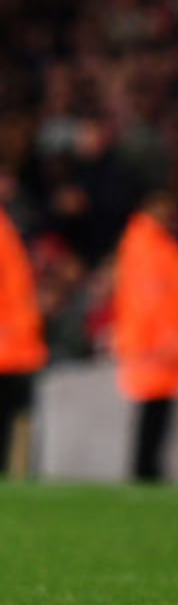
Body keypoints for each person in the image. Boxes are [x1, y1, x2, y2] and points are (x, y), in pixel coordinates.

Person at [112, 190, 178, 482]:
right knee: (153, 417)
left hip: (160, 347)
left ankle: (148, 471)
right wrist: (168, 340)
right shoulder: (148, 246)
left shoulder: (154, 244)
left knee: (157, 417)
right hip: (156, 349)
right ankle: (146, 472)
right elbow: (151, 300)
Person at [0, 203, 47, 475]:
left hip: (16, 345)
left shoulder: (8, 225)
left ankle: (15, 472)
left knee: (16, 415)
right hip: (9, 343)